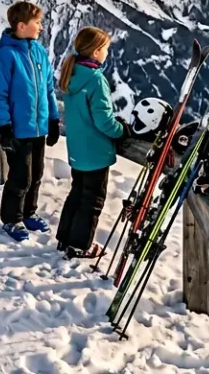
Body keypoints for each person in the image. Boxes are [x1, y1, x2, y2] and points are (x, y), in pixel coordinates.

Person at [0, 1, 60, 242]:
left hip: (38, 127)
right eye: (37, 23)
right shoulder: (5, 57)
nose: (41, 27)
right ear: (21, 26)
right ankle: (12, 218)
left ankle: (29, 212)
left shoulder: (39, 52)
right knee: (20, 176)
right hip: (18, 129)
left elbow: (48, 89)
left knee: (37, 173)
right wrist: (4, 127)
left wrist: (53, 120)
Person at [55, 26, 126, 258]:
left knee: (77, 193)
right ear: (96, 52)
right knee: (93, 201)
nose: (106, 53)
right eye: (105, 48)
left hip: (77, 150)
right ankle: (79, 246)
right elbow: (104, 119)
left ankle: (65, 238)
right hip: (95, 152)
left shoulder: (72, 73)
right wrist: (121, 131)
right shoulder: (95, 79)